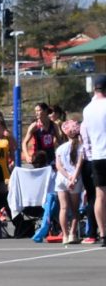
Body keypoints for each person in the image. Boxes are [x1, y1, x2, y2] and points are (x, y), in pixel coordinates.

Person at [81, 75, 106, 247]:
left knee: (100, 196)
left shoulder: (87, 109)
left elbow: (85, 135)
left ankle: (103, 234)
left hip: (97, 156)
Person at [53, 119, 84, 244]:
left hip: (61, 179)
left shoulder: (60, 148)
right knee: (75, 209)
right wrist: (73, 178)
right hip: (75, 180)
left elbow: (58, 166)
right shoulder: (81, 148)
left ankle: (65, 235)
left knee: (63, 208)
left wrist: (67, 176)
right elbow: (79, 165)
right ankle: (72, 234)